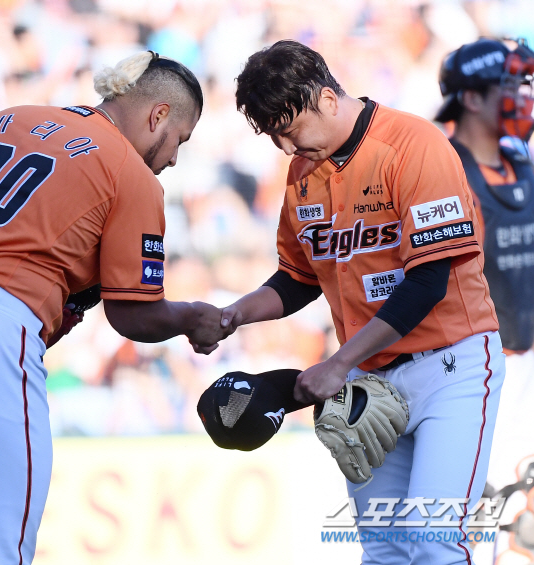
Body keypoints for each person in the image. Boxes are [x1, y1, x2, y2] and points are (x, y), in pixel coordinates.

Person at [0, 51, 234, 564]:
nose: (174, 157)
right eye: (181, 140)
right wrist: (190, 317)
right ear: (159, 116)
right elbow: (135, 314)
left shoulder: (8, 117)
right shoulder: (131, 173)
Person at [221, 40, 505, 564]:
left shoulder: (413, 145)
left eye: (290, 129)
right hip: (369, 378)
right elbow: (297, 277)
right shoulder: (303, 171)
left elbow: (428, 281)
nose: (286, 148)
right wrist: (233, 315)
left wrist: (338, 364)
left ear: (327, 98)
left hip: (450, 367)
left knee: (435, 542)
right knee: (384, 552)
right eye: (275, 136)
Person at [435, 38, 534, 495]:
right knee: (488, 513)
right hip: (485, 375)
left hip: (526, 363)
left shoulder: (521, 158)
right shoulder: (443, 173)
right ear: (472, 98)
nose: (522, 97)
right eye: (508, 86)